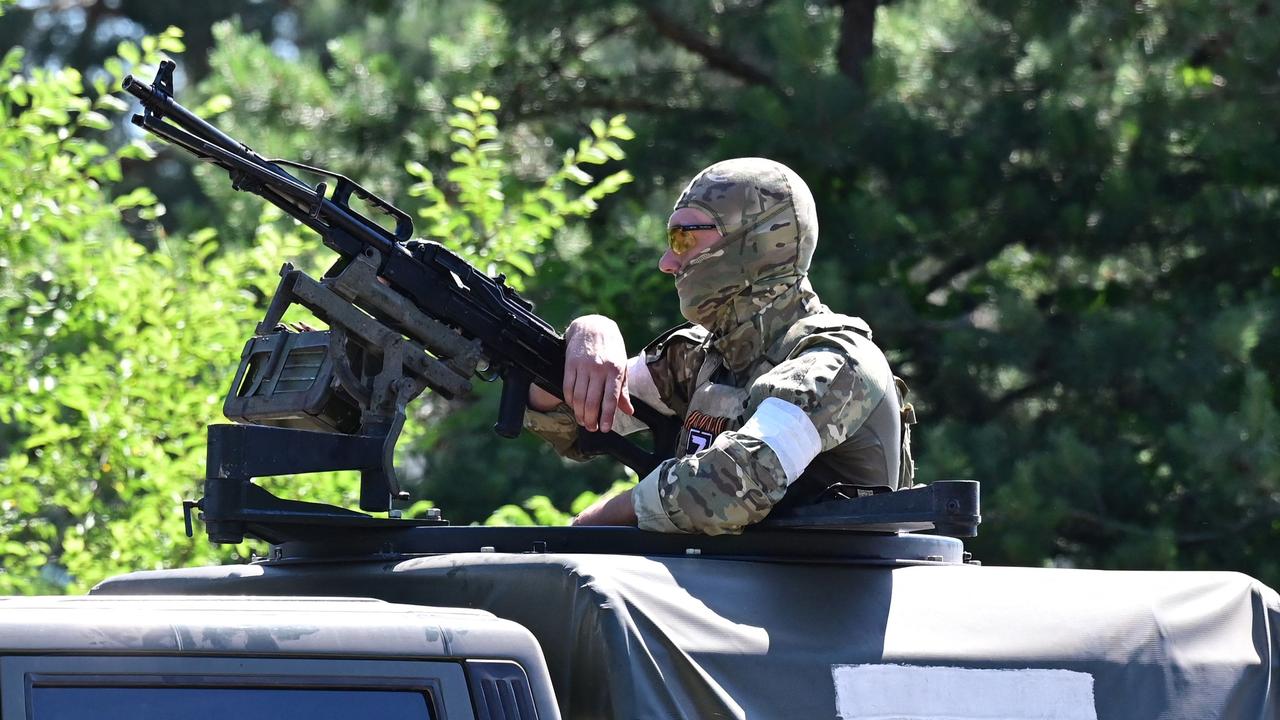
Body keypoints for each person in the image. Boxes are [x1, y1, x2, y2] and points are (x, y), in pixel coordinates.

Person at [524, 157, 914, 535]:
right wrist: (586, 334)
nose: (666, 262)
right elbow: (578, 417)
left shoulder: (835, 363)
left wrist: (601, 519)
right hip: (733, 594)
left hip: (825, 598)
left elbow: (730, 489)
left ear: (756, 243)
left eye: (683, 239)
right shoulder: (705, 356)